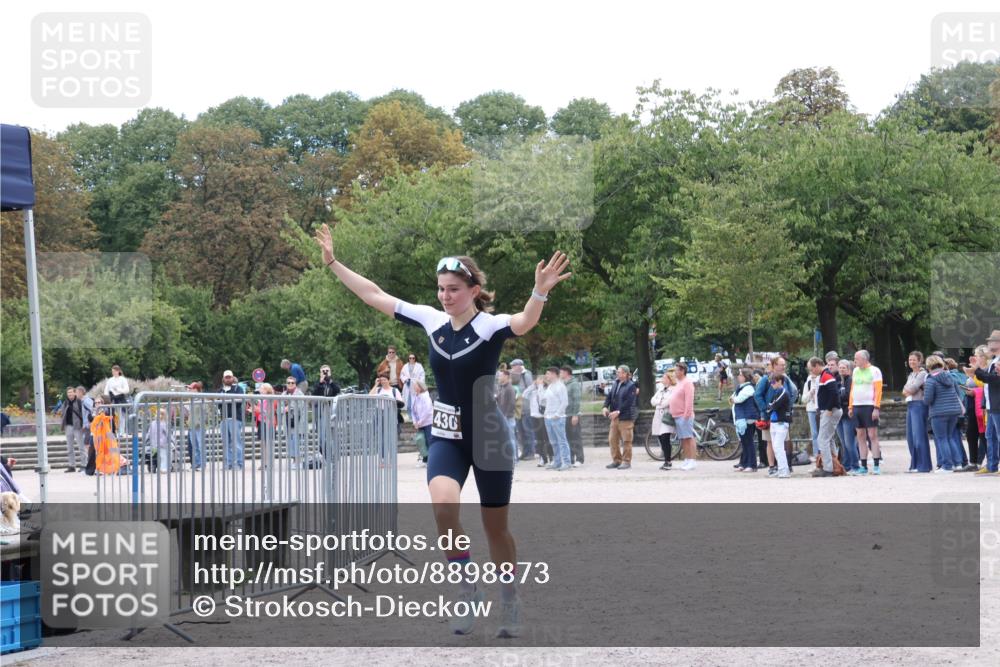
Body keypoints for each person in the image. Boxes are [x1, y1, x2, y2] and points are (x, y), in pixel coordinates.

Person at [317, 221, 571, 638]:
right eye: (440, 289)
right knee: (443, 509)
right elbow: (374, 294)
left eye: (453, 288)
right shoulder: (432, 321)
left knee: (496, 528)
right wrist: (333, 262)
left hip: (488, 435)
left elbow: (525, 321)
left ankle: (509, 599)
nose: (445, 296)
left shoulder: (489, 327)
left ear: (473, 290)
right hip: (448, 436)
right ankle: (466, 588)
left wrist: (539, 291)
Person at [923, 355, 965, 473]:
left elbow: (928, 400)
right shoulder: (949, 376)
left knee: (941, 438)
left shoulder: (931, 380)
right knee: (950, 437)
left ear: (929, 366)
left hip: (938, 412)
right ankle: (958, 463)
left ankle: (947, 466)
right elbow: (958, 393)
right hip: (954, 411)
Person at [848, 350, 883, 475]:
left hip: (869, 406)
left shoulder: (875, 371)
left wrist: (876, 407)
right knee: (860, 436)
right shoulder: (856, 371)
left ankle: (877, 465)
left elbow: (878, 391)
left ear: (864, 359)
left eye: (856, 359)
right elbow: (852, 389)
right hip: (857, 406)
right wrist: (850, 406)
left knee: (872, 435)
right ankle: (863, 466)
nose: (854, 361)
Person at [969, 330, 1000, 475]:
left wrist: (977, 371)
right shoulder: (994, 360)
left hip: (997, 404)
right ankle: (992, 465)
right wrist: (976, 372)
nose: (988, 344)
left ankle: (993, 465)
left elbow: (993, 379)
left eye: (991, 341)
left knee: (997, 436)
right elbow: (987, 379)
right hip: (991, 404)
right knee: (990, 436)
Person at [810, 357, 842, 477]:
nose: (812, 371)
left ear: (817, 365)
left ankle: (828, 468)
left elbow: (834, 393)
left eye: (812, 368)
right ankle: (835, 465)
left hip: (831, 411)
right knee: (829, 439)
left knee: (822, 439)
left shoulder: (826, 376)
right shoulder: (825, 375)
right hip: (833, 410)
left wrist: (829, 408)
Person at [902, 352, 932, 473]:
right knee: (910, 436)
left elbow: (912, 389)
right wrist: (908, 390)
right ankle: (914, 464)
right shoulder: (911, 375)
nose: (911, 362)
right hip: (910, 405)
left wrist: (908, 390)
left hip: (919, 405)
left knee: (919, 436)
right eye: (910, 360)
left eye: (914, 360)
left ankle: (923, 465)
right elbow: (905, 390)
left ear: (920, 361)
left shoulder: (922, 374)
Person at [603, 365, 638, 470]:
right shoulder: (616, 383)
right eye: (617, 372)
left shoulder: (631, 385)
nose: (617, 374)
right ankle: (616, 460)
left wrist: (618, 411)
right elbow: (609, 396)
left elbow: (629, 402)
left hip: (626, 417)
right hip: (614, 417)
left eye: (619, 372)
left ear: (625, 374)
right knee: (612, 439)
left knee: (626, 440)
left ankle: (626, 461)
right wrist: (604, 406)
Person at [669, 363, 697, 471]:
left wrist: (687, 414)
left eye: (676, 370)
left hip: (684, 415)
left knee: (689, 438)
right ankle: (687, 459)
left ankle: (692, 460)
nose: (674, 372)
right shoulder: (679, 383)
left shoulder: (687, 383)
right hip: (677, 415)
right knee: (683, 439)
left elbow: (689, 400)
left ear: (682, 371)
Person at [542, 367, 571, 471]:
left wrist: (557, 414)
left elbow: (565, 402)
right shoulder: (550, 386)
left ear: (554, 374)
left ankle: (566, 462)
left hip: (557, 418)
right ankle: (557, 462)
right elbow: (545, 400)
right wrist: (546, 414)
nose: (546, 376)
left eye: (548, 373)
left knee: (562, 441)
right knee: (553, 441)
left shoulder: (560, 386)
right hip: (548, 417)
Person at [730, 368, 759, 472]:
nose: (738, 376)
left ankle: (751, 464)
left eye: (740, 375)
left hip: (747, 419)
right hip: (741, 418)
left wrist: (733, 400)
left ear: (745, 377)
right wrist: (733, 399)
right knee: (744, 442)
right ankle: (744, 462)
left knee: (748, 442)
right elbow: (732, 398)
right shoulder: (741, 388)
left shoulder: (748, 388)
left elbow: (737, 399)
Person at [766, 373, 793, 478]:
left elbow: (774, 405)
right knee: (776, 447)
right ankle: (782, 468)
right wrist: (770, 406)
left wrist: (770, 407)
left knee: (778, 447)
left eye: (773, 382)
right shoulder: (776, 392)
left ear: (780, 381)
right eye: (771, 382)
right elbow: (770, 405)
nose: (771, 384)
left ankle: (784, 470)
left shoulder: (783, 392)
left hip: (781, 422)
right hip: (774, 422)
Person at [217, 370, 246, 470]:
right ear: (223, 378)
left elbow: (238, 402)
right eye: (226, 377)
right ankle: (228, 463)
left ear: (233, 378)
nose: (228, 379)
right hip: (224, 419)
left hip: (235, 419)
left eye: (230, 377)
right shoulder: (220, 390)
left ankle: (239, 463)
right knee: (225, 443)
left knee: (236, 443)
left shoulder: (238, 388)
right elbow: (219, 404)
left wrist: (225, 398)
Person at [836, 359, 859, 472]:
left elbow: (848, 396)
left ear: (849, 370)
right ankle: (846, 465)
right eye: (840, 367)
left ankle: (855, 465)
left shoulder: (850, 381)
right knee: (843, 442)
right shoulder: (838, 381)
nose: (841, 369)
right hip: (838, 415)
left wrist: (839, 398)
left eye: (844, 368)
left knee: (849, 442)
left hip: (847, 414)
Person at [509, 360, 536, 460]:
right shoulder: (514, 375)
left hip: (526, 407)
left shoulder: (526, 374)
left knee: (528, 431)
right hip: (517, 408)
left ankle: (531, 453)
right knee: (520, 432)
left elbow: (531, 389)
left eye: (513, 366)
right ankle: (524, 452)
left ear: (519, 366)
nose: (512, 368)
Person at [651, 370, 676, 470]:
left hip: (666, 416)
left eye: (664, 378)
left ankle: (668, 461)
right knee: (661, 438)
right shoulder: (661, 389)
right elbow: (652, 400)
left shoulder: (673, 390)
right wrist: (659, 402)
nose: (662, 380)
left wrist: (659, 402)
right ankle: (666, 460)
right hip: (658, 416)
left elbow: (667, 402)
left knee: (665, 438)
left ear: (669, 379)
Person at [523, 376, 550, 466]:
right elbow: (524, 395)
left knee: (547, 439)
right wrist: (532, 386)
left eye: (540, 379)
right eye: (537, 379)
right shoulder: (533, 391)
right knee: (538, 440)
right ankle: (543, 458)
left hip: (543, 417)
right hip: (534, 417)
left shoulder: (547, 390)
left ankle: (552, 457)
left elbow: (543, 399)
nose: (538, 381)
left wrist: (541, 386)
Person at [560, 366, 584, 467]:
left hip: (572, 414)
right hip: (564, 415)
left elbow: (577, 400)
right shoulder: (563, 384)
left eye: (561, 372)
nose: (560, 374)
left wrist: (575, 414)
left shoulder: (574, 384)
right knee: (568, 437)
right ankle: (570, 458)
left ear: (566, 373)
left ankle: (579, 459)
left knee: (575, 437)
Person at [495, 370, 518, 465]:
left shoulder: (509, 388)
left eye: (501, 375)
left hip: (508, 417)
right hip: (503, 416)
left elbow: (512, 403)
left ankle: (513, 459)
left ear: (506, 376)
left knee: (511, 438)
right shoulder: (502, 387)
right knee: (506, 438)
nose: (499, 377)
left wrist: (505, 415)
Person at [60, 387, 86, 473]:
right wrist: (63, 425)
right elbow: (63, 414)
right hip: (69, 426)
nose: (70, 394)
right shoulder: (65, 402)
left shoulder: (79, 402)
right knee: (69, 448)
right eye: (68, 393)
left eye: (71, 392)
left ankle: (84, 464)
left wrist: (84, 425)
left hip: (78, 426)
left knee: (81, 447)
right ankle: (72, 465)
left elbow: (83, 414)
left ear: (75, 393)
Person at [410, 380, 434, 467]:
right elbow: (413, 411)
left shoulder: (425, 396)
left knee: (429, 441)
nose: (414, 387)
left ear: (420, 386)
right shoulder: (415, 397)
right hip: (420, 423)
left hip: (428, 422)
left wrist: (419, 422)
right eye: (413, 386)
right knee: (421, 442)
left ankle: (431, 461)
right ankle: (425, 460)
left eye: (415, 385)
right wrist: (414, 422)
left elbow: (427, 411)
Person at [801, 358, 821, 459]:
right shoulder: (808, 382)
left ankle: (824, 453)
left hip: (820, 409)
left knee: (823, 432)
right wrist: (811, 393)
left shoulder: (822, 378)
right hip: (811, 409)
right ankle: (816, 454)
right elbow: (803, 399)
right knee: (814, 433)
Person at [104, 365, 131, 435]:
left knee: (121, 416)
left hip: (120, 399)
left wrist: (118, 390)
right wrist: (106, 399)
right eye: (112, 371)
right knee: (112, 415)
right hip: (112, 400)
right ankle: (114, 431)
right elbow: (106, 390)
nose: (113, 373)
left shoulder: (123, 379)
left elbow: (127, 390)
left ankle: (121, 432)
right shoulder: (110, 380)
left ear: (118, 371)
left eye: (114, 371)